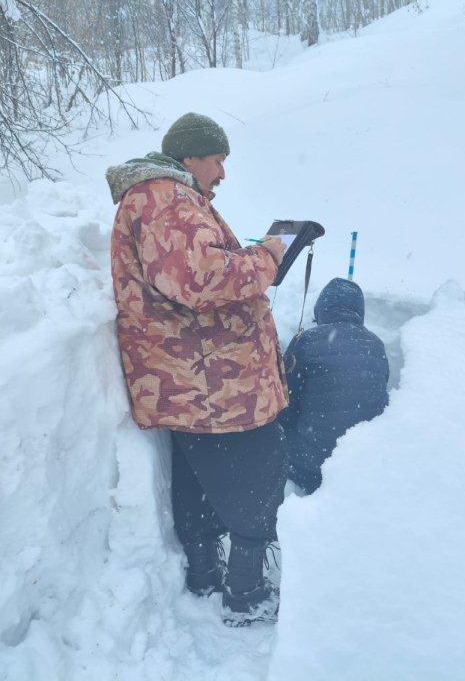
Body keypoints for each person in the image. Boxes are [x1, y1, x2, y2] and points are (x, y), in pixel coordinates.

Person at [106, 112, 289, 626]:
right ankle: (248, 594)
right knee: (256, 475)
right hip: (212, 382)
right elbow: (203, 280)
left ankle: (206, 575)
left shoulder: (164, 199)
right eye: (218, 160)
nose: (222, 174)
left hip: (195, 379)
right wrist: (267, 257)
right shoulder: (166, 198)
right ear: (190, 156)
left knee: (200, 480)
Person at [279, 277, 389, 494]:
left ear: (321, 308)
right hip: (365, 462)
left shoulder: (305, 341)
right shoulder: (376, 344)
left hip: (310, 465)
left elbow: (283, 403)